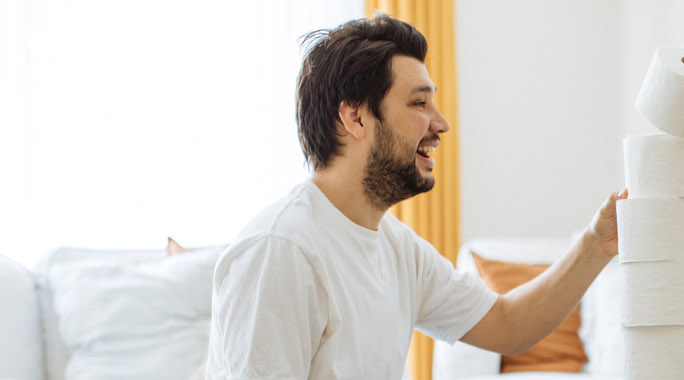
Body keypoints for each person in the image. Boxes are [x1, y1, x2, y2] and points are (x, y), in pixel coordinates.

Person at [204, 14, 626, 379]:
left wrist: (596, 245)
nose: (440, 123)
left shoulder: (396, 246)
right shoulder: (280, 253)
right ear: (355, 117)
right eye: (419, 103)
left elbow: (506, 325)